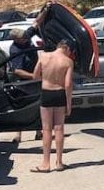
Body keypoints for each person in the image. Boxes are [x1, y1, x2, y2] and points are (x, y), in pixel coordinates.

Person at [31, 39, 74, 173]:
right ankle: (59, 162)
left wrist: (45, 79)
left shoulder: (43, 57)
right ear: (66, 49)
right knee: (59, 128)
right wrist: (69, 103)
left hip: (47, 92)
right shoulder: (67, 62)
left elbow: (35, 75)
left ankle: (45, 163)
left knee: (46, 128)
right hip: (60, 93)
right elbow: (67, 85)